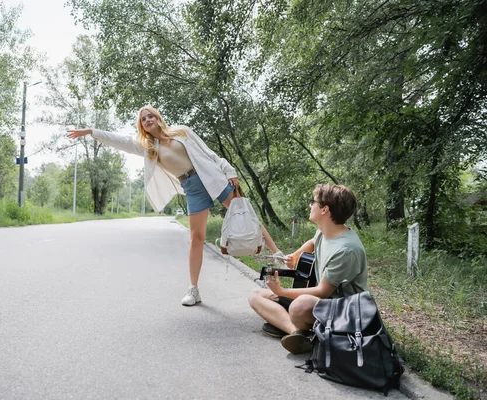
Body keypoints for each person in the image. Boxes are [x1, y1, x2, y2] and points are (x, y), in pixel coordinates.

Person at [67, 106, 284, 306]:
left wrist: (230, 171)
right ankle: (194, 290)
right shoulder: (148, 147)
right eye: (143, 119)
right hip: (192, 187)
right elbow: (120, 140)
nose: (147, 120)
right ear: (141, 126)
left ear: (158, 117)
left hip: (212, 176)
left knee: (245, 216)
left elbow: (208, 153)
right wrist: (90, 131)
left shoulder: (182, 132)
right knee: (196, 238)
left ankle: (278, 255)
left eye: (150, 115)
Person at [248, 183, 368, 354]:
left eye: (314, 202)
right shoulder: (325, 231)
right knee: (255, 295)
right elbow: (313, 242)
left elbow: (322, 292)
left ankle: (291, 326)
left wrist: (281, 291)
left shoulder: (346, 250)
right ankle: (296, 333)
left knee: (300, 305)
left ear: (325, 210)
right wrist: (295, 256)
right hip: (321, 304)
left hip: (345, 310)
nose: (310, 205)